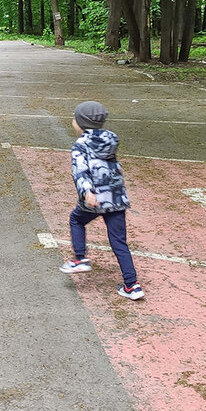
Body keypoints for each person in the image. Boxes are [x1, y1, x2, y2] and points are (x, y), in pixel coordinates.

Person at [59, 101, 145, 300]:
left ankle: (80, 258)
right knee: (119, 242)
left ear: (81, 123)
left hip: (95, 198)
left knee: (76, 220)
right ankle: (132, 285)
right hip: (116, 198)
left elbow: (80, 171)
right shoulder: (111, 139)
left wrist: (87, 192)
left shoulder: (81, 144)